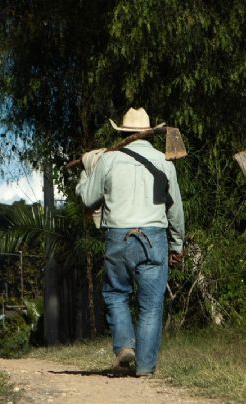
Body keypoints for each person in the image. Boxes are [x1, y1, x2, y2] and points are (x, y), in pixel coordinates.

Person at [76, 107, 185, 377]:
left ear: (123, 132)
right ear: (149, 132)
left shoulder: (109, 160)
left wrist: (85, 170)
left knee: (115, 294)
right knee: (151, 304)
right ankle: (145, 368)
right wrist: (177, 244)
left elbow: (88, 200)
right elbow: (176, 209)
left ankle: (125, 346)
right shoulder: (164, 161)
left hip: (119, 237)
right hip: (154, 237)